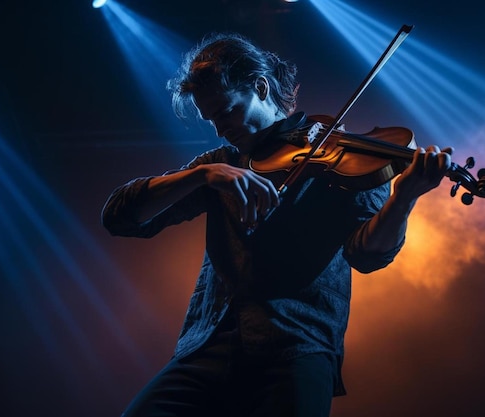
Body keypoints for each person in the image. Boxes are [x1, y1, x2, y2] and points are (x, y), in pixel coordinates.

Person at [102, 32, 452, 417]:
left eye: (227, 112)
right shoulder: (223, 163)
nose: (220, 129)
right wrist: (201, 176)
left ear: (261, 87)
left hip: (295, 349)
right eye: (211, 119)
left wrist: (404, 198)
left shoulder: (342, 158)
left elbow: (367, 255)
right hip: (209, 345)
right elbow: (120, 216)